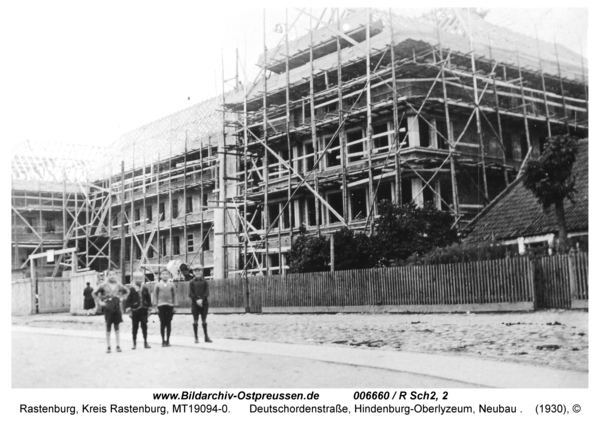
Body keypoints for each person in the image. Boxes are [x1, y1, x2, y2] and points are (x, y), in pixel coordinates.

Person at [93, 269, 128, 353]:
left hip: (116, 305)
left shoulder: (118, 284)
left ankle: (118, 345)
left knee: (117, 326)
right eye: (110, 274)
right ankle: (108, 346)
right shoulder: (103, 285)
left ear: (116, 275)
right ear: (107, 276)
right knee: (108, 326)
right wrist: (100, 302)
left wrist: (122, 298)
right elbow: (94, 293)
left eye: (113, 274)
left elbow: (127, 291)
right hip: (108, 305)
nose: (112, 276)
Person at [123, 271, 152, 350]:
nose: (139, 280)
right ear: (133, 279)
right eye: (137, 278)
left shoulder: (145, 288)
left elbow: (149, 299)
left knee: (144, 326)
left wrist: (149, 308)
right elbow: (127, 301)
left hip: (143, 311)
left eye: (140, 278)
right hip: (135, 311)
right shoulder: (131, 290)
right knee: (135, 327)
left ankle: (145, 342)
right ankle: (134, 343)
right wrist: (129, 311)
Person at [188, 264, 212, 343]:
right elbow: (190, 293)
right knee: (195, 320)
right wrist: (197, 300)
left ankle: (206, 336)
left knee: (204, 319)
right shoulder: (191, 282)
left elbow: (206, 292)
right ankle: (196, 337)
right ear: (193, 272)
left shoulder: (205, 282)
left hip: (204, 303)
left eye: (199, 270)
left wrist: (202, 300)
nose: (198, 272)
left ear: (202, 272)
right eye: (196, 271)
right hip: (195, 304)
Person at [153, 269, 177, 347]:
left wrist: (175, 305)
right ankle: (163, 341)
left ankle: (168, 340)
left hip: (170, 306)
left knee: (169, 323)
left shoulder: (172, 284)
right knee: (163, 323)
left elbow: (174, 295)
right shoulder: (157, 285)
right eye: (163, 274)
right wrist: (155, 306)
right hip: (161, 306)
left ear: (169, 275)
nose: (165, 275)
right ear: (160, 275)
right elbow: (155, 296)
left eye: (166, 274)